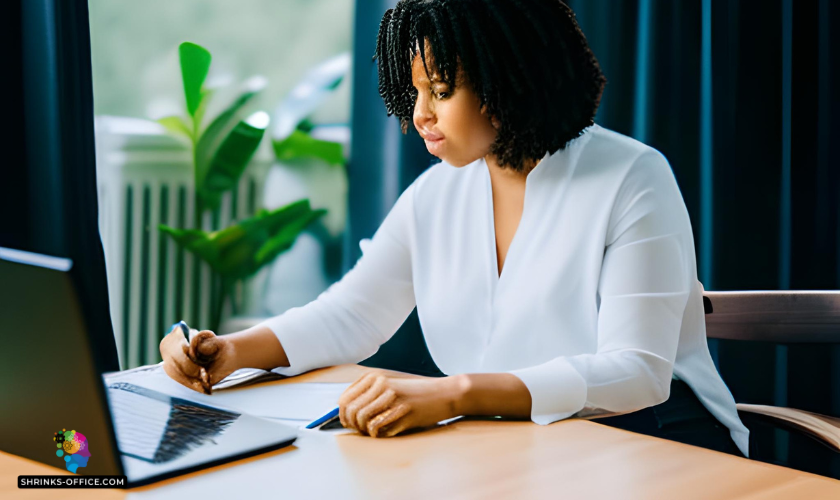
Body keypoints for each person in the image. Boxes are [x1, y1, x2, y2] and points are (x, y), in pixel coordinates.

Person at [160, 0, 750, 457]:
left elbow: (637, 375)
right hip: (522, 444)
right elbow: (352, 313)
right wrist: (233, 351)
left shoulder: (632, 176)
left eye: (440, 91)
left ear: (508, 82)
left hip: (656, 438)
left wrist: (451, 394)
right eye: (414, 91)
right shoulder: (437, 194)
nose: (419, 114)